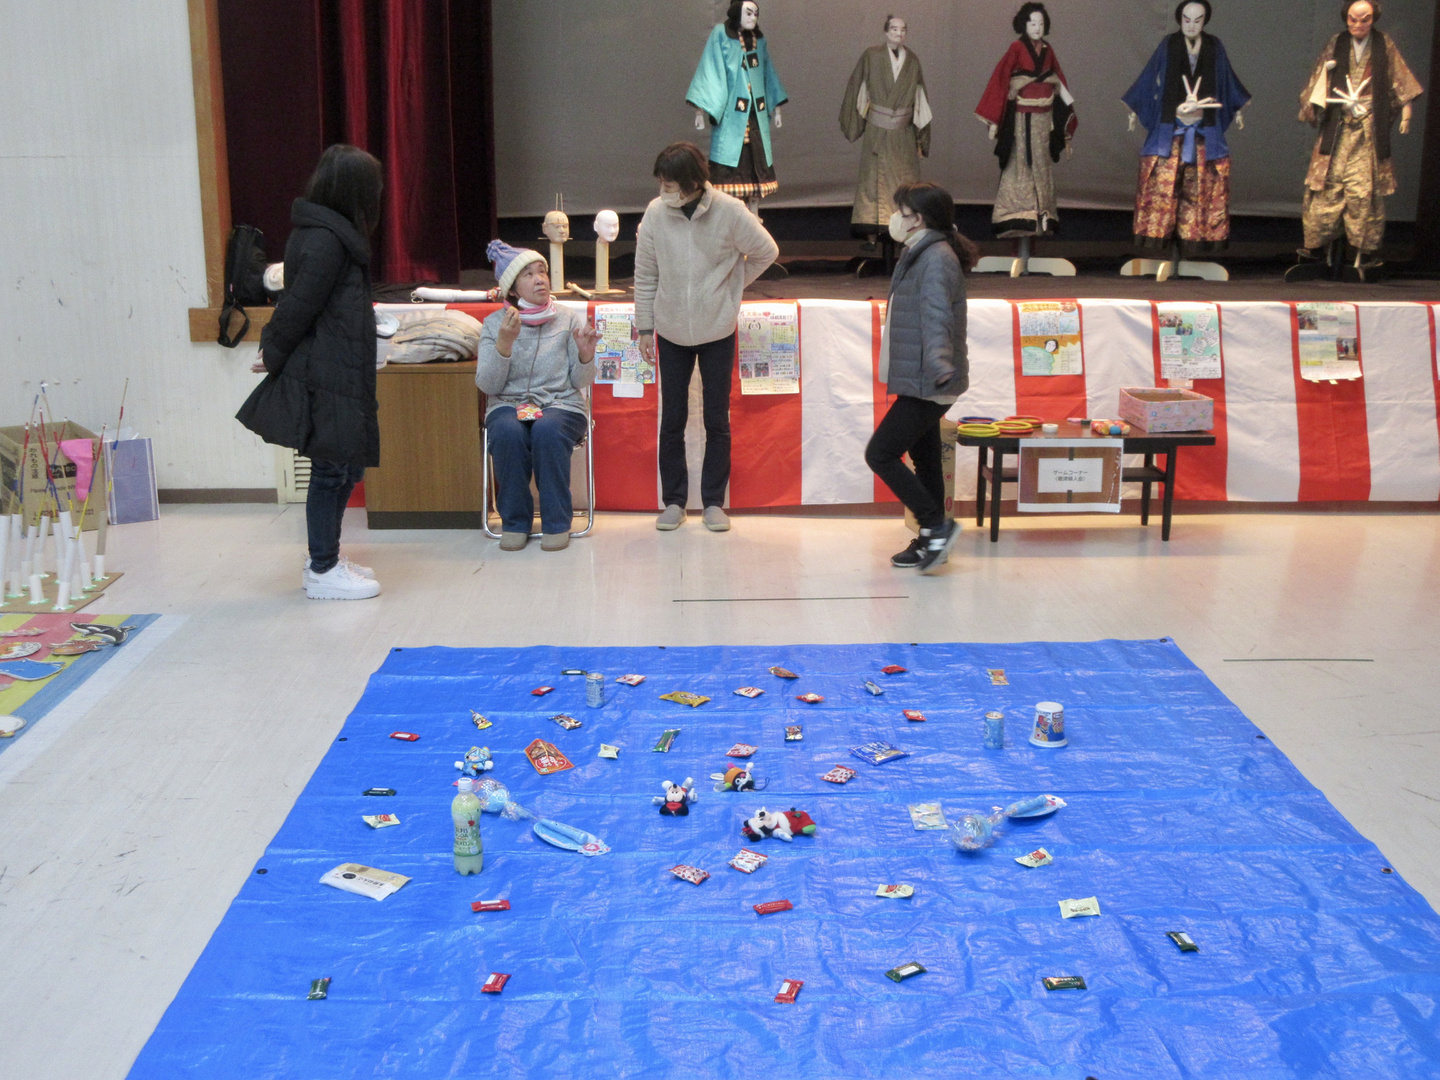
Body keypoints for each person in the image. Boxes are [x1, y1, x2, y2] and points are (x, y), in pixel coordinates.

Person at [236, 144, 385, 601]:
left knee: (345, 467)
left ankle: (327, 558)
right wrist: (273, 351)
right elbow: (299, 305)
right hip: (328, 371)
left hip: (341, 366)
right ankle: (322, 568)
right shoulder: (325, 238)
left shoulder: (329, 232)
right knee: (330, 470)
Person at [635, 142, 778, 533]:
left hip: (717, 331)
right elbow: (645, 274)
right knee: (672, 420)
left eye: (669, 184)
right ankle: (674, 502)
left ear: (692, 182)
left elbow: (766, 251)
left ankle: (714, 502)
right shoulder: (655, 213)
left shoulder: (730, 211)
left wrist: (731, 289)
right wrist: (645, 327)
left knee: (717, 419)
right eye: (661, 183)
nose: (663, 190)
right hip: (670, 331)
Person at [865, 182, 977, 574]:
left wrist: (941, 367)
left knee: (880, 453)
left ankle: (936, 526)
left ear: (920, 219)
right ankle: (931, 539)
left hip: (930, 378)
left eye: (903, 211)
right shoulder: (923, 252)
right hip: (922, 376)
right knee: (925, 457)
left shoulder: (936, 258)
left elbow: (936, 316)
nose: (896, 218)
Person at [475, 241, 597, 551]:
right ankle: (515, 523)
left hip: (561, 404)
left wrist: (585, 356)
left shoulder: (568, 319)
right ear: (512, 288)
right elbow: (488, 385)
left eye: (542, 271)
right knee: (507, 432)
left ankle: (557, 522)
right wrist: (504, 344)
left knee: (547, 430)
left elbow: (580, 381)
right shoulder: (494, 325)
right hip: (508, 403)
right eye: (528, 274)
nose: (540, 279)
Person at [1296, 0, 1422, 271]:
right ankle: (1317, 249)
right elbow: (1319, 77)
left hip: (1367, 127)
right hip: (1338, 125)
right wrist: (1325, 81)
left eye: (1365, 19)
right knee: (1326, 186)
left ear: (1374, 19)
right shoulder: (1337, 42)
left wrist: (1407, 115)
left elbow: (1401, 81)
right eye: (1353, 19)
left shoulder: (1383, 44)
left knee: (1362, 191)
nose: (1358, 25)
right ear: (1346, 18)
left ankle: (1364, 252)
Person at [1123, 1, 1251, 257]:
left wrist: (1237, 107)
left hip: (1204, 128)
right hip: (1171, 128)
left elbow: (1226, 78)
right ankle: (1161, 241)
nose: (1191, 25)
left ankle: (1191, 244)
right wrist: (1135, 108)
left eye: (1197, 20)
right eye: (1187, 19)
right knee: (1161, 185)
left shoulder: (1214, 46)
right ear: (1179, 19)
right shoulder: (1169, 44)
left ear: (1205, 21)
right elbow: (1150, 75)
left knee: (1202, 188)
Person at [974, 3, 1077, 238]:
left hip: (1044, 118)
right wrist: (994, 120)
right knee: (1020, 161)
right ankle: (1018, 215)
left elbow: (1058, 78)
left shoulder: (1048, 50)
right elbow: (1001, 78)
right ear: (1023, 25)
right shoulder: (1016, 47)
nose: (1037, 27)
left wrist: (1068, 113)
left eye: (1041, 23)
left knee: (1041, 163)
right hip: (1022, 117)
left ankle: (1042, 215)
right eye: (1032, 23)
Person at [686, 1, 789, 214]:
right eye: (748, 13)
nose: (753, 18)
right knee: (729, 164)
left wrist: (776, 107)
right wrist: (700, 109)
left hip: (756, 115)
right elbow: (711, 67)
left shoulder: (759, 40)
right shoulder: (721, 34)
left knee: (756, 162)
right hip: (732, 114)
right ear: (736, 13)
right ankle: (730, 218)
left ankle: (754, 216)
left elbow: (768, 72)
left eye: (756, 14)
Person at [839, 14, 933, 241]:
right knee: (874, 182)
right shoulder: (871, 56)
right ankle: (873, 231)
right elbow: (857, 88)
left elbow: (920, 98)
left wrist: (921, 137)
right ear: (886, 32)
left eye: (902, 30)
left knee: (905, 182)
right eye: (894, 29)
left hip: (903, 133)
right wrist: (855, 122)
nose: (898, 33)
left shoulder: (913, 60)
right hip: (878, 131)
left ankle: (904, 234)